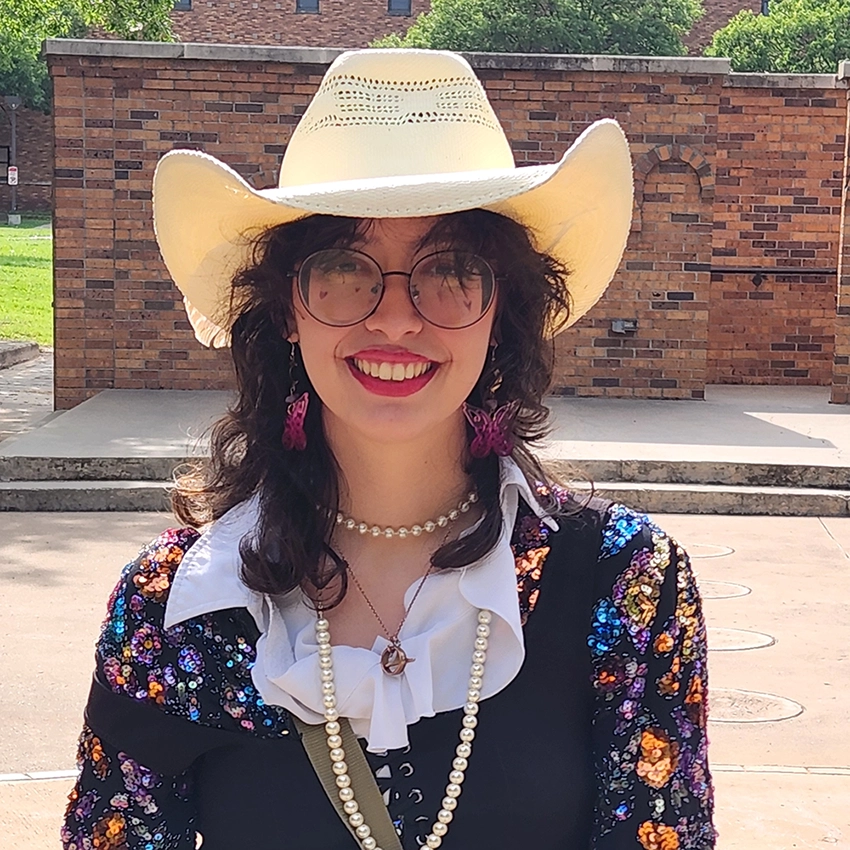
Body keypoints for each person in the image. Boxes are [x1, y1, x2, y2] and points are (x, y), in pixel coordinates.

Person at [61, 49, 715, 850]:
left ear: (501, 309)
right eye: (344, 268)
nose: (397, 319)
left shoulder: (628, 582)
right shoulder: (174, 608)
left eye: (451, 270)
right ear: (288, 310)